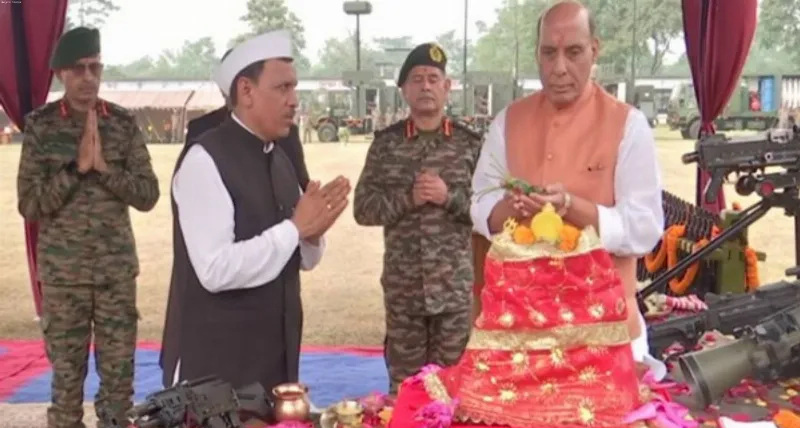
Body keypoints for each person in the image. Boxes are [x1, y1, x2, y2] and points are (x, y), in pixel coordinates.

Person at [471, 0, 664, 373]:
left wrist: (574, 208)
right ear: (537, 55)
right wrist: (512, 208)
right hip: (521, 333)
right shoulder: (508, 121)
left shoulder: (629, 125)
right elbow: (480, 201)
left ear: (595, 50)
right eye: (548, 53)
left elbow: (644, 229)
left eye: (573, 52)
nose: (559, 68)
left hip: (607, 334)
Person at [159, 30, 351, 398]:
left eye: (294, 88)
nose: (294, 101)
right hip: (218, 369)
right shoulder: (205, 159)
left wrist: (312, 235)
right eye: (282, 88)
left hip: (273, 362)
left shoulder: (278, 157)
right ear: (246, 91)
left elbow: (300, 257)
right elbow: (215, 269)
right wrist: (296, 229)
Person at [16, 27, 160, 428]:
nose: (88, 77)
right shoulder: (41, 128)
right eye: (78, 69)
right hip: (64, 279)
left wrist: (105, 170)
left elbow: (148, 194)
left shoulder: (122, 123)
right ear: (61, 73)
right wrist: (76, 169)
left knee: (119, 385)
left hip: (115, 275)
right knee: (66, 383)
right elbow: (30, 204)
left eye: (95, 67)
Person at [353, 43, 483, 394]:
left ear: (447, 86)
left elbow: (490, 211)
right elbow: (363, 209)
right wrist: (408, 199)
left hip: (453, 292)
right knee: (406, 392)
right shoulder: (386, 145)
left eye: (433, 78)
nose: (425, 86)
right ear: (405, 90)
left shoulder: (471, 145)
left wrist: (449, 197)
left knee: (452, 392)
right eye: (417, 79)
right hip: (404, 292)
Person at [183, 51, 308, 183]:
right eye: (283, 87)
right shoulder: (201, 131)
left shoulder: (286, 131)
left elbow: (301, 185)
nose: (294, 101)